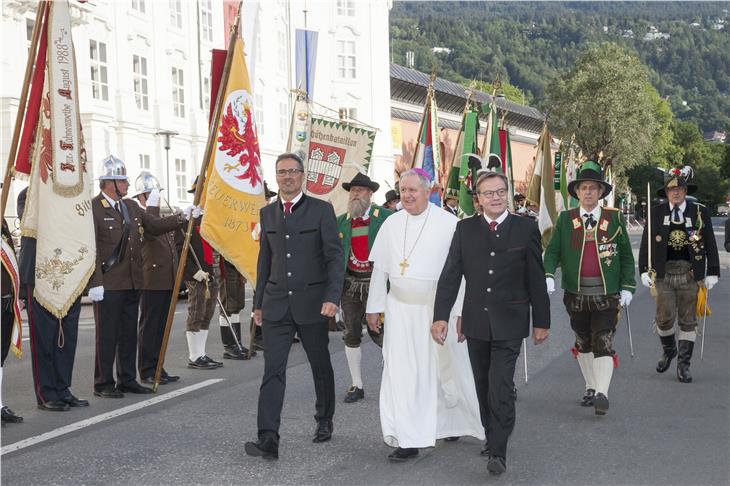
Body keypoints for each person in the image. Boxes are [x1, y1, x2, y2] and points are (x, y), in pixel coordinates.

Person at [434, 170, 550, 475]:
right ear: (478, 199)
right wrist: (441, 316)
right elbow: (450, 276)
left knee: (500, 386)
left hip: (511, 321)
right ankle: (491, 430)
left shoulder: (526, 228)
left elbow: (536, 279)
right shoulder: (465, 229)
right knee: (483, 385)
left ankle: (498, 450)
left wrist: (542, 321)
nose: (496, 198)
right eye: (489, 193)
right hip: (475, 322)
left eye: (500, 192)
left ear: (507, 194)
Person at [365, 168, 484, 463]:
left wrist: (458, 313)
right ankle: (409, 437)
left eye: (412, 190)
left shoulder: (448, 223)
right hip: (400, 311)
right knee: (403, 374)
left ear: (428, 191)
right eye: (402, 190)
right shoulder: (391, 224)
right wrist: (374, 307)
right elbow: (380, 270)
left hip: (438, 310)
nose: (406, 195)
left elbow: (461, 274)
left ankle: (455, 423)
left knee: (449, 369)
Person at [245, 153, 344, 460]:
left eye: (292, 171)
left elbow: (334, 257)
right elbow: (266, 261)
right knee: (272, 371)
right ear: (276, 177)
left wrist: (332, 297)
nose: (287, 177)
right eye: (281, 172)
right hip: (276, 305)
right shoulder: (268, 213)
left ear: (302, 175)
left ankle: (324, 418)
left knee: (320, 365)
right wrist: (258, 303)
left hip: (313, 304)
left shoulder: (321, 210)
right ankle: (268, 437)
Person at [89, 155, 185, 398]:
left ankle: (127, 379)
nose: (127, 185)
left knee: (128, 334)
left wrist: (182, 218)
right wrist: (95, 282)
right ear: (109, 182)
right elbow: (92, 248)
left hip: (133, 281)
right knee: (107, 335)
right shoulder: (94, 208)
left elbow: (152, 226)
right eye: (123, 181)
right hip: (110, 284)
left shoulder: (130, 207)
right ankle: (103, 383)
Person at [544, 161, 635, 414]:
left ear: (601, 192)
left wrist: (628, 287)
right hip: (576, 294)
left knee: (603, 340)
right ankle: (592, 386)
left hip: (606, 295)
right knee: (583, 341)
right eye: (583, 188)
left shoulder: (614, 218)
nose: (587, 193)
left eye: (593, 188)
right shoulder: (566, 219)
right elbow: (552, 252)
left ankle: (602, 393)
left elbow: (626, 256)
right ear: (577, 192)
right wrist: (549, 274)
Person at [638, 166, 720, 383]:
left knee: (688, 320)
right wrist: (644, 270)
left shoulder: (699, 212)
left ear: (685, 191)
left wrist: (712, 271)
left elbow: (710, 243)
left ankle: (684, 365)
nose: (675, 193)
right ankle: (669, 351)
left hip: (690, 273)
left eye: (680, 189)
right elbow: (646, 244)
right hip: (664, 274)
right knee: (664, 319)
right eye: (671, 190)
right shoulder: (656, 213)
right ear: (666, 193)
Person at [16, 188, 88, 411]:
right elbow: (33, 222)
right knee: (44, 339)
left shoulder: (68, 194)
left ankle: (63, 388)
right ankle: (46, 393)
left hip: (67, 273)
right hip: (39, 274)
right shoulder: (29, 194)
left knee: (67, 337)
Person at [335, 172, 392, 403]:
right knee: (351, 334)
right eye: (352, 191)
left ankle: (394, 381)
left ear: (370, 194)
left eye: (360, 190)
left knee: (385, 335)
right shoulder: (341, 221)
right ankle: (356, 384)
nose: (355, 194)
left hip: (377, 284)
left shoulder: (386, 218)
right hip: (350, 284)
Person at [133, 172, 181, 385]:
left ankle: (158, 365)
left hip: (166, 280)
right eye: (152, 195)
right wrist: (152, 207)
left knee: (162, 327)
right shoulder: (142, 216)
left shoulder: (159, 216)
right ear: (142, 198)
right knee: (150, 327)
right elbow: (151, 230)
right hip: (152, 281)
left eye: (157, 194)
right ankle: (147, 370)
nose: (157, 198)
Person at [182, 177, 223, 370]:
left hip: (213, 272)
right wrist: (193, 271)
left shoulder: (214, 218)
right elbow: (179, 249)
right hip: (197, 275)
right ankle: (194, 355)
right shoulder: (188, 220)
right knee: (196, 312)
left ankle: (202, 353)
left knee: (207, 313)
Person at [1, 217, 23, 423]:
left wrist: (18, 294)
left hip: (6, 299)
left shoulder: (2, 221)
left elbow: (12, 257)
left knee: (0, 356)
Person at [218, 258, 251, 360]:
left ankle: (237, 342)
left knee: (237, 305)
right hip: (226, 263)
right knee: (228, 306)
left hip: (237, 263)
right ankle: (229, 346)